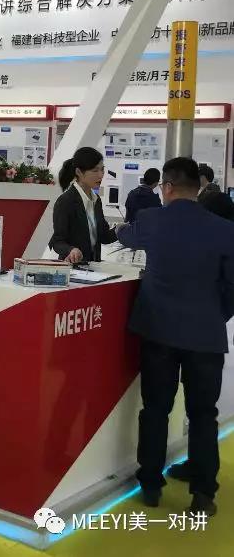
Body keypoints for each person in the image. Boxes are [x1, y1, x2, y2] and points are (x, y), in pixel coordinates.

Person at [117, 157, 234, 516]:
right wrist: (214, 315)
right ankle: (203, 493)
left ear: (167, 187)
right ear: (197, 188)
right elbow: (231, 288)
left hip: (159, 332)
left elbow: (124, 235)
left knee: (155, 409)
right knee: (203, 414)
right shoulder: (225, 229)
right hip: (205, 335)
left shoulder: (152, 219)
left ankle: (151, 484)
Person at [50, 146, 117, 263]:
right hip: (73, 268)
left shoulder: (96, 200)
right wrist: (71, 250)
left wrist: (121, 229)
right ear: (79, 172)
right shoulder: (66, 201)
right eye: (95, 170)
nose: (101, 175)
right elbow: (57, 242)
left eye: (102, 170)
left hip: (93, 266)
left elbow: (104, 236)